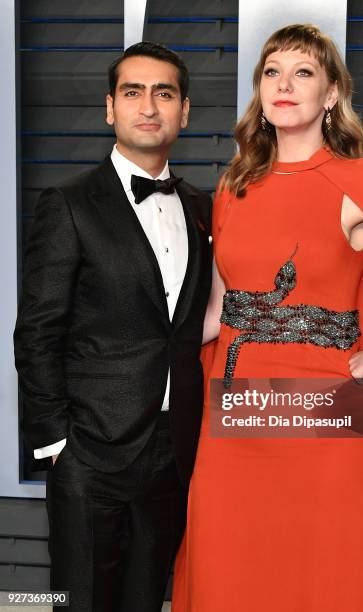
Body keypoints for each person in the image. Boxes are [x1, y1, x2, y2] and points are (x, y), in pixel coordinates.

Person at [172, 24, 363, 612]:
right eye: (272, 72)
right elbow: (220, 309)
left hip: (325, 415)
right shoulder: (234, 187)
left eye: (303, 73)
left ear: (331, 95)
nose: (284, 85)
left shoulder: (361, 182)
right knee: (228, 568)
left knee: (319, 576)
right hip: (235, 413)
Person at [14, 42, 212, 612]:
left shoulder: (201, 207)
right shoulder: (69, 204)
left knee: (148, 601)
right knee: (80, 601)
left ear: (185, 110)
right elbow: (38, 330)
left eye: (164, 93)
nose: (148, 105)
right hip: (88, 453)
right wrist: (58, 445)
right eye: (133, 92)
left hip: (174, 452)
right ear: (110, 108)